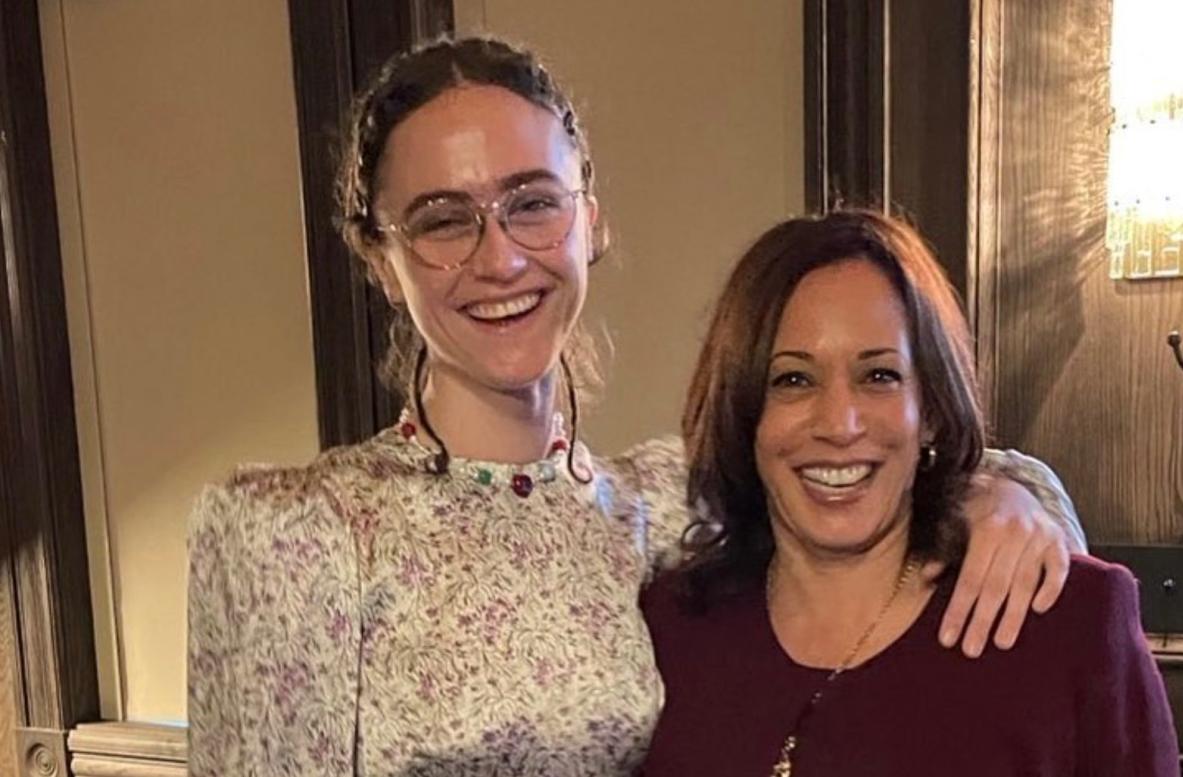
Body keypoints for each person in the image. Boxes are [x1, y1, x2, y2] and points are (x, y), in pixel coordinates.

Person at [187, 38, 1086, 776]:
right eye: (442, 219)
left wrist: (1002, 493)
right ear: (381, 259)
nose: (499, 259)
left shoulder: (660, 502)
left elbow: (851, 455)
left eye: (531, 204)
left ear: (589, 221)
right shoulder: (294, 530)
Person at [640, 210, 1178, 776]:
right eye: (792, 380)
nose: (840, 424)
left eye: (880, 377)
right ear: (743, 411)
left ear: (931, 411)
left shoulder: (1070, 626)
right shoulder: (672, 630)